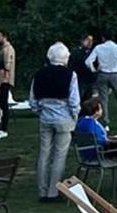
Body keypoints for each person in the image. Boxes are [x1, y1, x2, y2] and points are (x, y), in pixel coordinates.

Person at [28, 42, 80, 202]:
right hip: (64, 118)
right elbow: (74, 100)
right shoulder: (70, 75)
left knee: (44, 154)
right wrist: (74, 116)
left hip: (45, 118)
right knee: (59, 156)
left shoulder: (39, 74)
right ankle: (53, 192)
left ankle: (42, 191)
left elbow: (33, 99)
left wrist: (39, 111)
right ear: (65, 58)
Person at [75, 97, 117, 193]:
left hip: (87, 152)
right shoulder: (91, 123)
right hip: (98, 152)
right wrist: (110, 141)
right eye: (100, 108)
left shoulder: (81, 121)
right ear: (96, 111)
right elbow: (99, 140)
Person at [88, 31, 117, 129]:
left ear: (103, 38)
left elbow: (88, 61)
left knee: (103, 99)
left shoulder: (99, 48)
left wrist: (94, 70)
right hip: (115, 74)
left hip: (102, 74)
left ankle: (105, 122)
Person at [0, 29, 16, 139]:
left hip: (4, 80)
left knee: (3, 104)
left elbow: (6, 67)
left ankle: (3, 129)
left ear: (4, 37)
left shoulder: (7, 50)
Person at [70, 34, 96, 98]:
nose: (90, 43)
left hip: (90, 79)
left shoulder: (93, 52)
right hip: (80, 79)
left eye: (91, 41)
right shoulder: (76, 51)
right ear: (82, 41)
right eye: (88, 40)